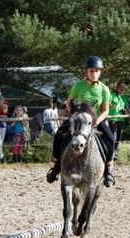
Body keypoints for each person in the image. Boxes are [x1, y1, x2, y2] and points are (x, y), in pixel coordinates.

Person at [46, 56, 115, 188]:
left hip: (95, 121)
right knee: (58, 135)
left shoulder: (104, 89)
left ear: (100, 72)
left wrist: (96, 122)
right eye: (91, 71)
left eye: (96, 71)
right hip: (77, 120)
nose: (94, 73)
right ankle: (56, 166)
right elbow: (68, 102)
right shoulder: (78, 85)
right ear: (86, 72)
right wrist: (73, 116)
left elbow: (105, 111)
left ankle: (108, 170)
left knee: (111, 139)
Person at [108, 81, 130, 161]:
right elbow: (107, 102)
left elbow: (127, 107)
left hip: (121, 119)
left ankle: (115, 154)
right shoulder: (111, 95)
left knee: (119, 137)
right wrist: (111, 105)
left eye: (124, 87)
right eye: (121, 87)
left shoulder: (124, 97)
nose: (122, 89)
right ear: (117, 87)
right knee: (113, 137)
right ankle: (111, 153)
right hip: (112, 118)